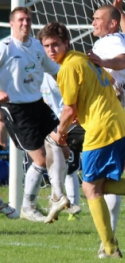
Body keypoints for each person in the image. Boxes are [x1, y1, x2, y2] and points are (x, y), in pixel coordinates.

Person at [39, 22, 125, 259]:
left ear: (66, 43)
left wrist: (60, 132)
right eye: (46, 46)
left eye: (55, 45)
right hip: (120, 124)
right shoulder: (84, 58)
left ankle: (110, 248)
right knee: (99, 184)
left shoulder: (68, 68)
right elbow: (110, 85)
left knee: (90, 188)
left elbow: (69, 110)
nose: (51, 50)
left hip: (101, 129)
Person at [0, 6, 70, 223]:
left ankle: (56, 197)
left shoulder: (38, 47)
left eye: (28, 19)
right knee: (40, 158)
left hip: (38, 105)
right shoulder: (5, 47)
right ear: (12, 24)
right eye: (20, 19)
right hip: (15, 109)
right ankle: (28, 207)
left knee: (63, 146)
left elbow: (56, 71)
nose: (25, 23)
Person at [85, 0, 125, 238]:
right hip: (106, 110)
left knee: (103, 178)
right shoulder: (117, 37)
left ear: (110, 25)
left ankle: (109, 236)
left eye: (98, 19)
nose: (92, 22)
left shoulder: (111, 42)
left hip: (107, 111)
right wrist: (118, 7)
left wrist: (102, 62)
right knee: (101, 177)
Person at [40, 73, 82, 216]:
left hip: (66, 124)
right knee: (45, 165)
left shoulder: (63, 72)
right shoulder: (34, 70)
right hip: (46, 124)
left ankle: (72, 207)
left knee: (70, 168)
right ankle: (44, 202)